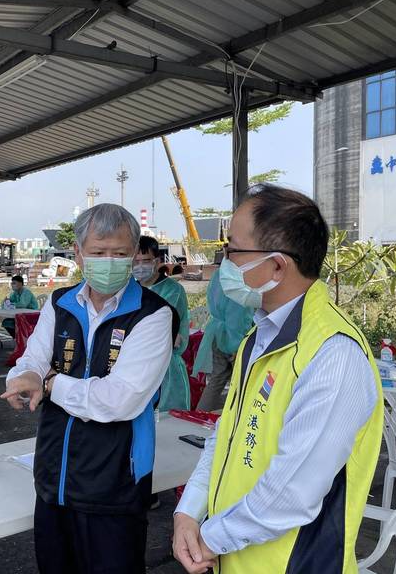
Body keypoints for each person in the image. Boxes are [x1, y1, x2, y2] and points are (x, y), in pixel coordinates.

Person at [172, 185, 383, 574]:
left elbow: (291, 496)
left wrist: (210, 537)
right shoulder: (262, 334)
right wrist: (189, 511)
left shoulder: (332, 355)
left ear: (277, 266)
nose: (226, 263)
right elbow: (228, 433)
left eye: (234, 251)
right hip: (234, 557)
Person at [1, 203, 177, 574]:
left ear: (133, 254)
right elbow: (31, 360)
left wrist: (49, 383)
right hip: (54, 477)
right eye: (98, 253)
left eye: (120, 253)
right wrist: (24, 378)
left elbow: (119, 400)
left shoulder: (153, 314)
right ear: (78, 253)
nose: (109, 261)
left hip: (115, 483)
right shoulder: (59, 302)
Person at [132, 235, 191, 411]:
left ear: (157, 261)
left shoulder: (172, 290)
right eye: (136, 261)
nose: (140, 266)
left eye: (146, 260)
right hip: (137, 366)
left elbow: (167, 332)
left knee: (169, 420)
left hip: (166, 366)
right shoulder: (131, 290)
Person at [193, 266, 255, 411]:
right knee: (242, 382)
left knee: (217, 379)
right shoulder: (239, 275)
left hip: (217, 332)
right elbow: (237, 316)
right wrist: (237, 346)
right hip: (234, 335)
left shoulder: (221, 272)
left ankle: (201, 413)